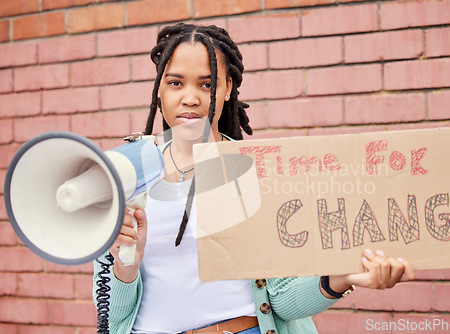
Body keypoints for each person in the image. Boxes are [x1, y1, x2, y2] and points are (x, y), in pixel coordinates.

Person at [92, 23, 415, 334]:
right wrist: (126, 266)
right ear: (159, 87)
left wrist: (343, 277)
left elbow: (281, 300)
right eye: (176, 83)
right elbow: (112, 314)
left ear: (228, 88)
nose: (190, 98)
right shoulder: (123, 170)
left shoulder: (254, 170)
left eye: (207, 84)